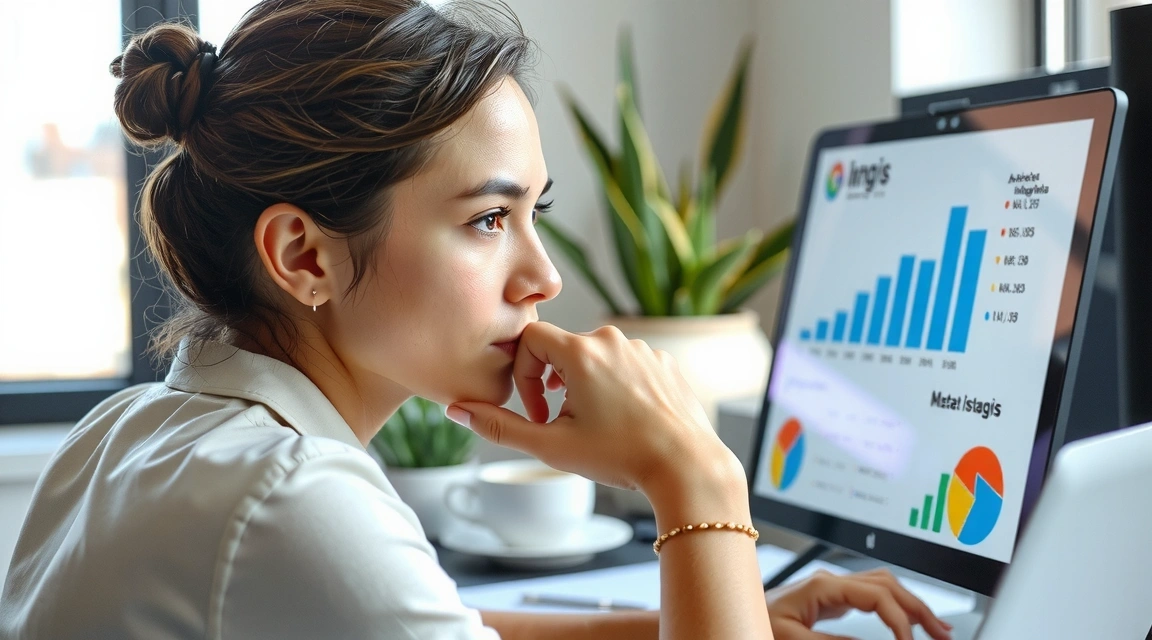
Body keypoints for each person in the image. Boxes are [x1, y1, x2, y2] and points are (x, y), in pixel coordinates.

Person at [0, 1, 955, 638]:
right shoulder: (291, 499)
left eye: (536, 212)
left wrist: (732, 608)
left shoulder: (128, 433)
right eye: (488, 220)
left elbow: (429, 619)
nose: (541, 275)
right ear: (304, 256)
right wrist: (696, 474)